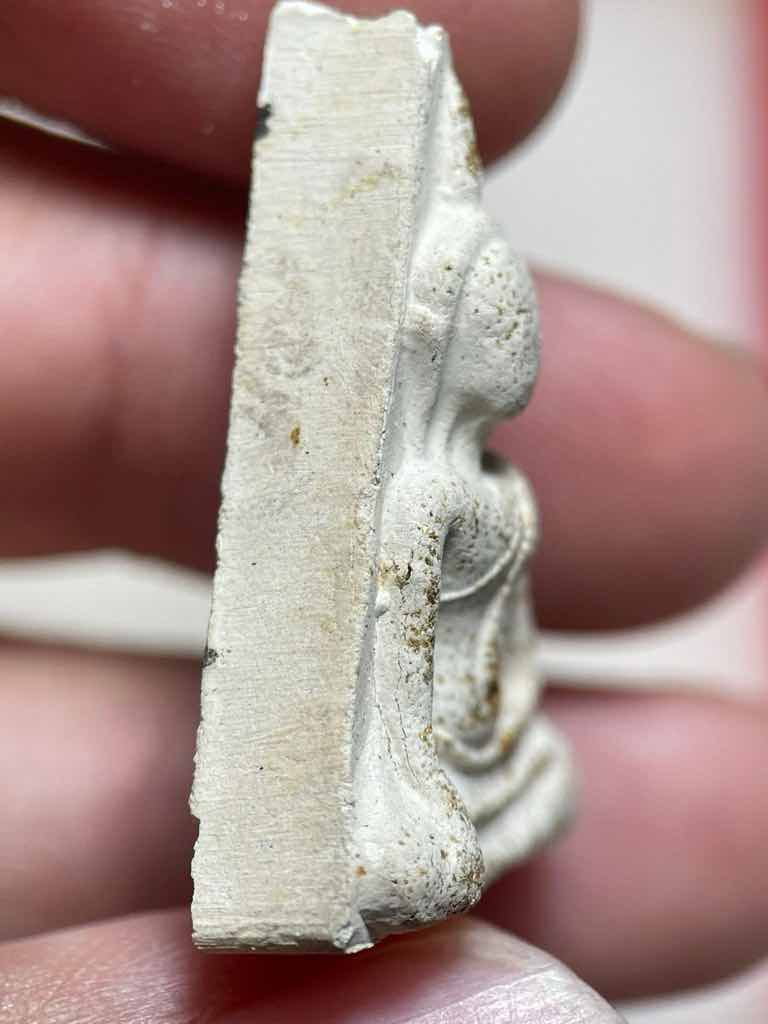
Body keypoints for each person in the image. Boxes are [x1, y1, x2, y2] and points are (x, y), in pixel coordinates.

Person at [1, 1, 766, 1019]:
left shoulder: (484, 484)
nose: (512, 369)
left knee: (540, 795)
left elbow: (491, 651)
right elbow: (389, 646)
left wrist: (495, 743)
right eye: (490, 338)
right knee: (415, 847)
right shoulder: (427, 493)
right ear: (442, 341)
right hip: (407, 762)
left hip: (466, 739)